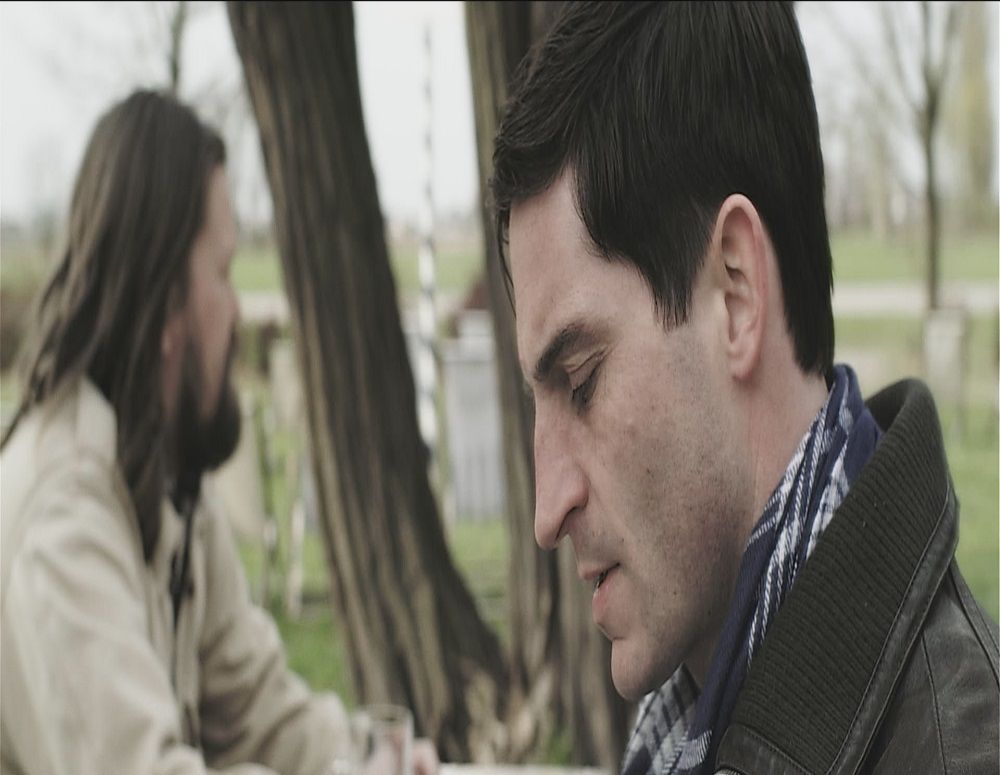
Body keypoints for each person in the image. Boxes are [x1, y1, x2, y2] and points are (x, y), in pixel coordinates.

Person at [490, 3, 999, 774]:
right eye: (540, 404)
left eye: (582, 382)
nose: (546, 508)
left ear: (735, 292)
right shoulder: (692, 717)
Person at [0, 90, 436, 775]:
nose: (236, 309)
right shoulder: (64, 514)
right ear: (166, 302)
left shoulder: (163, 467)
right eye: (225, 273)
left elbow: (251, 703)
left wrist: (366, 755)